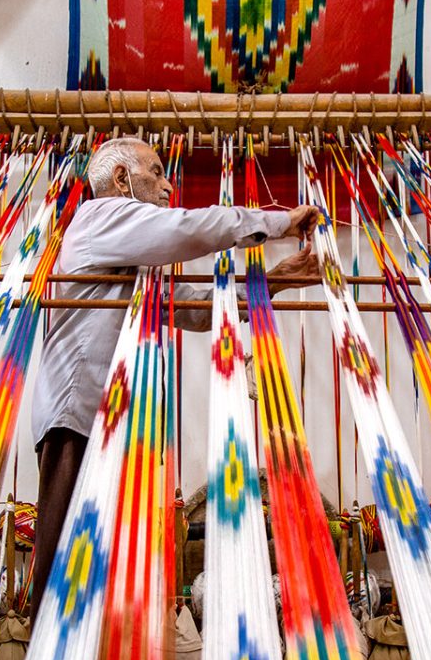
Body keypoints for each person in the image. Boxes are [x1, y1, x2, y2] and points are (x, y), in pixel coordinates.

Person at [28, 137, 320, 617]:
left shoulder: (132, 263)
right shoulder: (100, 217)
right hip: (76, 417)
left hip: (108, 423)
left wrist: (282, 278)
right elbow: (190, 227)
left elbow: (200, 309)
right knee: (64, 571)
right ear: (122, 180)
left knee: (99, 576)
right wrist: (281, 222)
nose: (168, 185)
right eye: (157, 172)